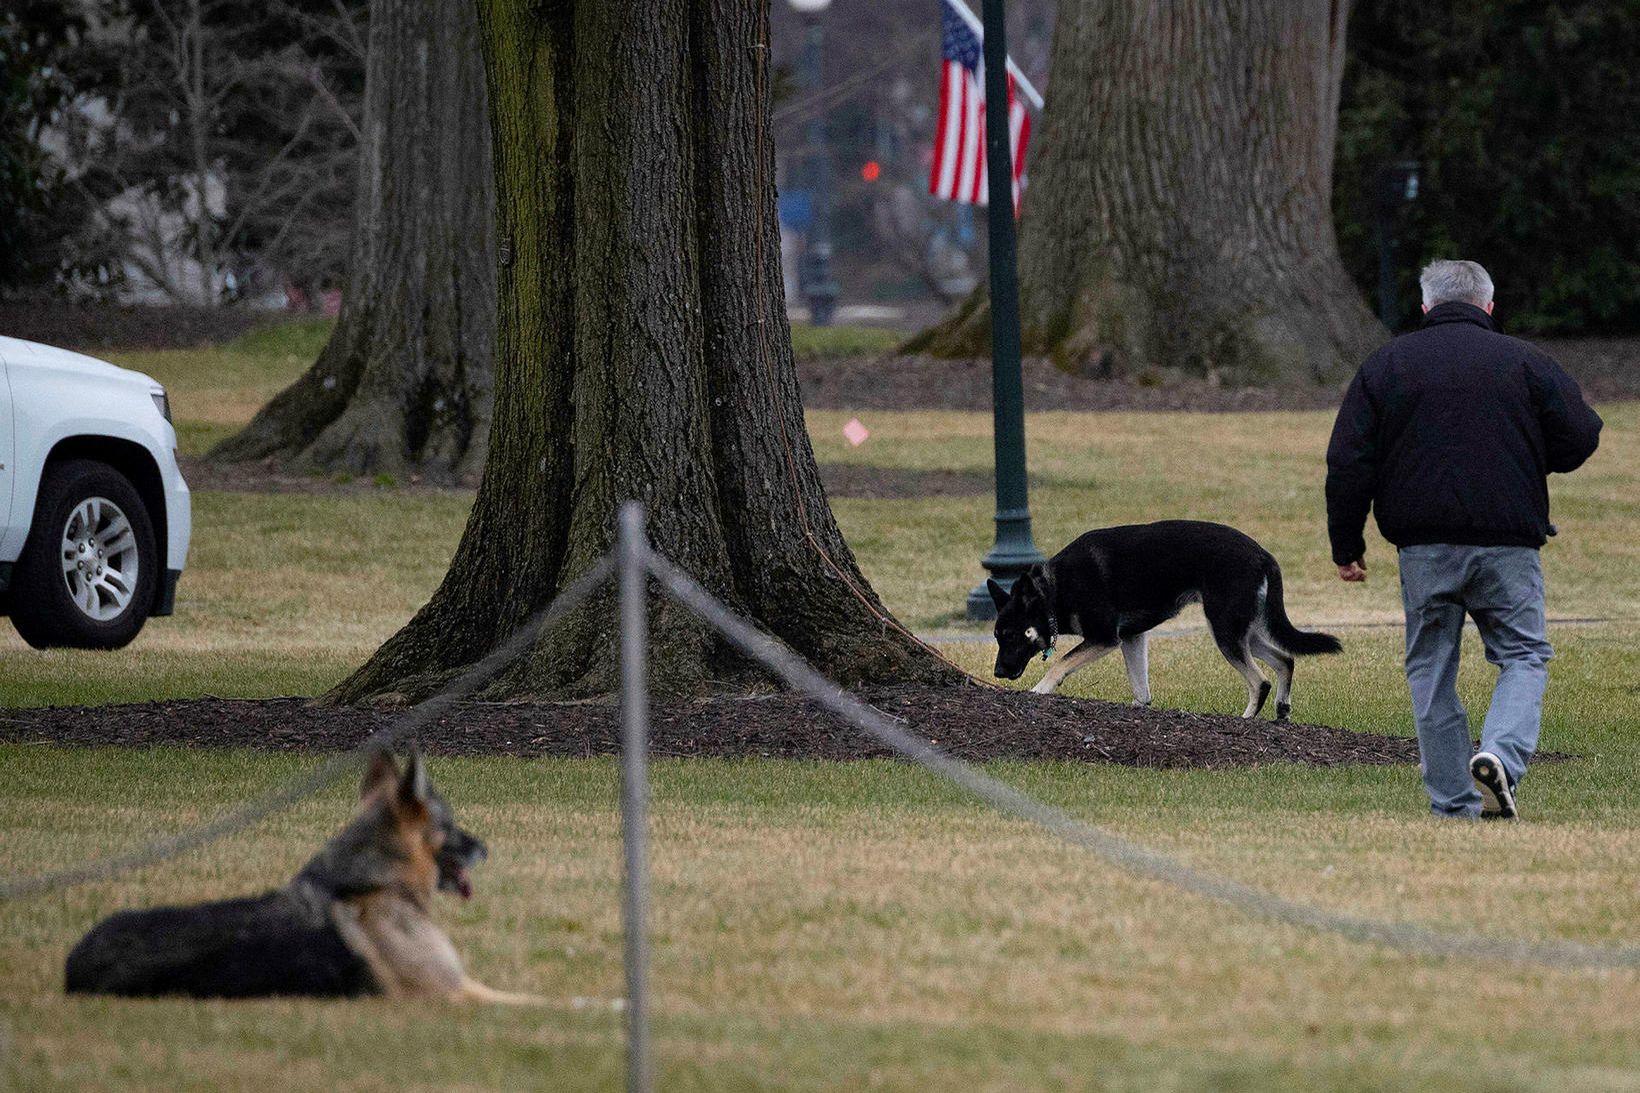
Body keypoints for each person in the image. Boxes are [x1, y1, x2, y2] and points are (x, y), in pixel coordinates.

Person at [1325, 259, 1602, 819]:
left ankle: (1453, 805)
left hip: (1423, 547)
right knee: (1523, 653)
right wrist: (1527, 458)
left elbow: (1348, 460)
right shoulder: (1525, 361)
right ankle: (1500, 754)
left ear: (1424, 307)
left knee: (1431, 666)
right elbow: (1581, 434)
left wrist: (1345, 543)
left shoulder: (1388, 364)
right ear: (1489, 307)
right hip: (1508, 543)